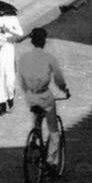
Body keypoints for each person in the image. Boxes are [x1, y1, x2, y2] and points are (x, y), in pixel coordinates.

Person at [17, 27, 70, 166]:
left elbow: (21, 80)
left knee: (36, 116)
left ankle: (35, 136)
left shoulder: (23, 58)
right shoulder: (49, 58)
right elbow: (59, 79)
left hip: (30, 96)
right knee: (53, 130)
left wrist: (28, 91)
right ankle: (51, 161)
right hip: (44, 96)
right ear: (44, 42)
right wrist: (65, 89)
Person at [0, 7, 24, 115]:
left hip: (8, 50)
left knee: (9, 78)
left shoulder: (13, 19)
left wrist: (9, 30)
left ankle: (10, 98)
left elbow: (20, 33)